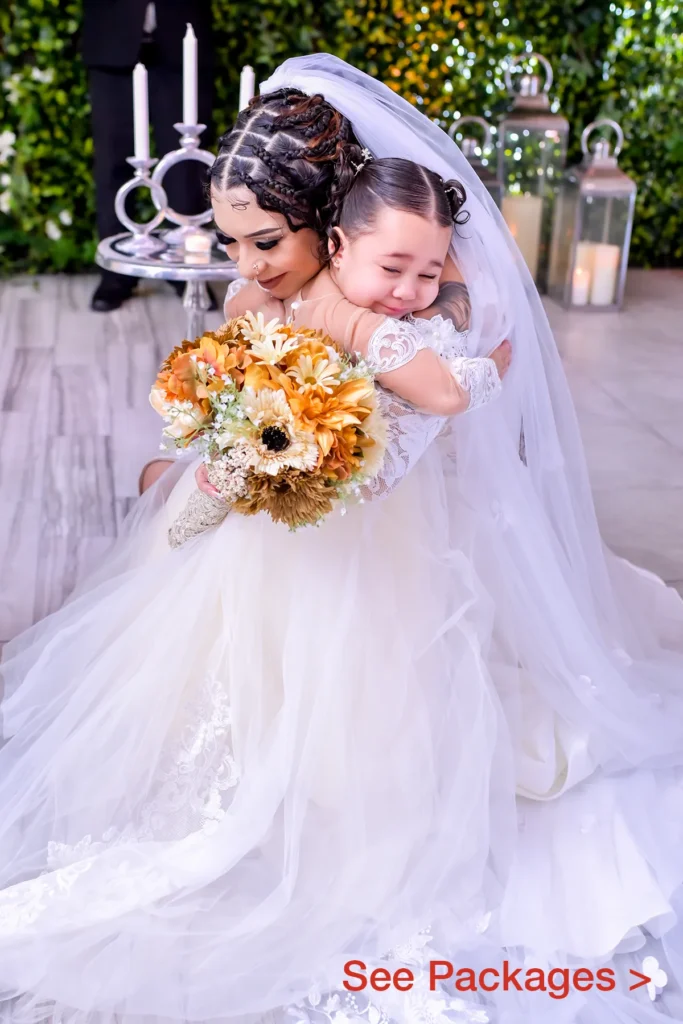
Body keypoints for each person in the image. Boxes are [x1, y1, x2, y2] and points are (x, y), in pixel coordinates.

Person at [0, 56, 683, 1024]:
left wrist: (430, 348)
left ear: (326, 223)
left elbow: (435, 374)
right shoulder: (274, 296)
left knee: (362, 678)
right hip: (270, 518)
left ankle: (331, 801)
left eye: (263, 241)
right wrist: (215, 429)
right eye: (230, 241)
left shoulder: (386, 302)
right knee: (220, 647)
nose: (246, 263)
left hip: (371, 536)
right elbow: (247, 365)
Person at [82, 0, 215, 312]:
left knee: (186, 166)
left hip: (182, 37)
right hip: (110, 40)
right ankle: (115, 274)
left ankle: (186, 268)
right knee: (112, 164)